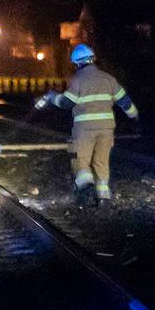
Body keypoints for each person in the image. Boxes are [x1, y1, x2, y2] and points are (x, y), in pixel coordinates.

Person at [37, 44, 139, 207]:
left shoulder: (78, 80)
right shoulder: (108, 78)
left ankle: (85, 186)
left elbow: (66, 102)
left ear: (77, 63)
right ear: (92, 59)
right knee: (101, 162)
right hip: (106, 128)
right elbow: (124, 102)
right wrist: (134, 115)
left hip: (84, 128)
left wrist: (52, 97)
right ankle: (103, 197)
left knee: (79, 157)